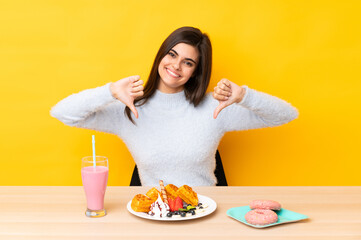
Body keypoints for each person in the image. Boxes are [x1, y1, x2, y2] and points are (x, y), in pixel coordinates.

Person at [51, 26, 298, 186]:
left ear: (195, 72)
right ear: (161, 56)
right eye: (171, 54)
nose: (176, 66)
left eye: (188, 62)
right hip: (152, 218)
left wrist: (244, 95)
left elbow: (287, 114)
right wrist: (110, 91)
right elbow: (62, 113)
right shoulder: (130, 109)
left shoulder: (215, 107)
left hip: (208, 216)